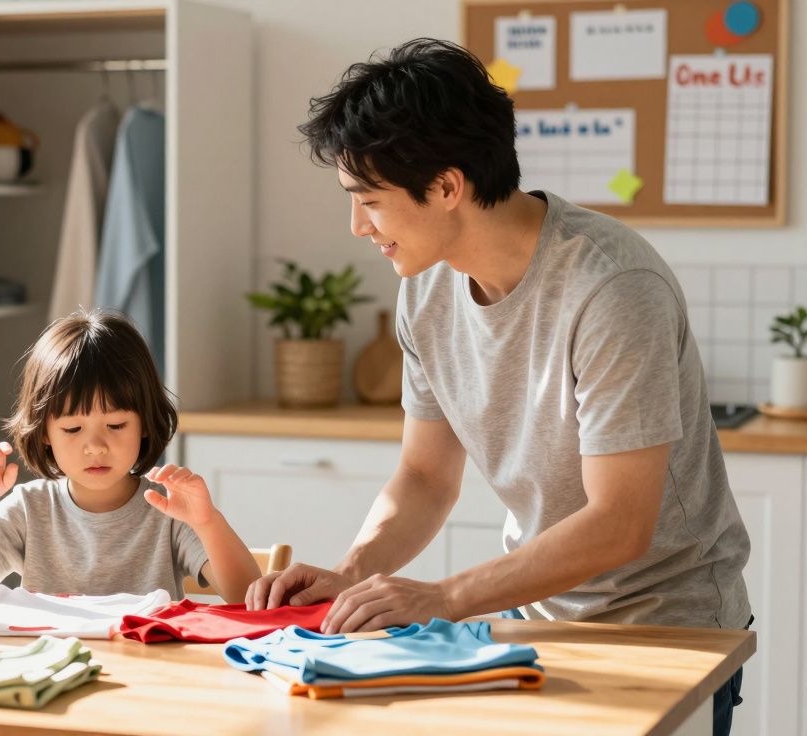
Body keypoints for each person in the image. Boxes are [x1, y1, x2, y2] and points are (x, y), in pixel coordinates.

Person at [244, 38, 751, 734]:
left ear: (446, 187)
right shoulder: (425, 287)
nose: (357, 226)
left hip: (667, 631)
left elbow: (620, 523)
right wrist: (353, 572)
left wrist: (443, 597)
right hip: (535, 619)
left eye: (370, 201)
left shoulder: (612, 287)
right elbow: (425, 477)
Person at [0, 309, 260, 602]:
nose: (96, 446)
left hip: (145, 657)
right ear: (44, 433)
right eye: (73, 429)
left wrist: (207, 521)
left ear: (145, 423)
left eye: (115, 425)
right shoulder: (29, 508)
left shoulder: (169, 510)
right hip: (56, 656)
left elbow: (246, 595)